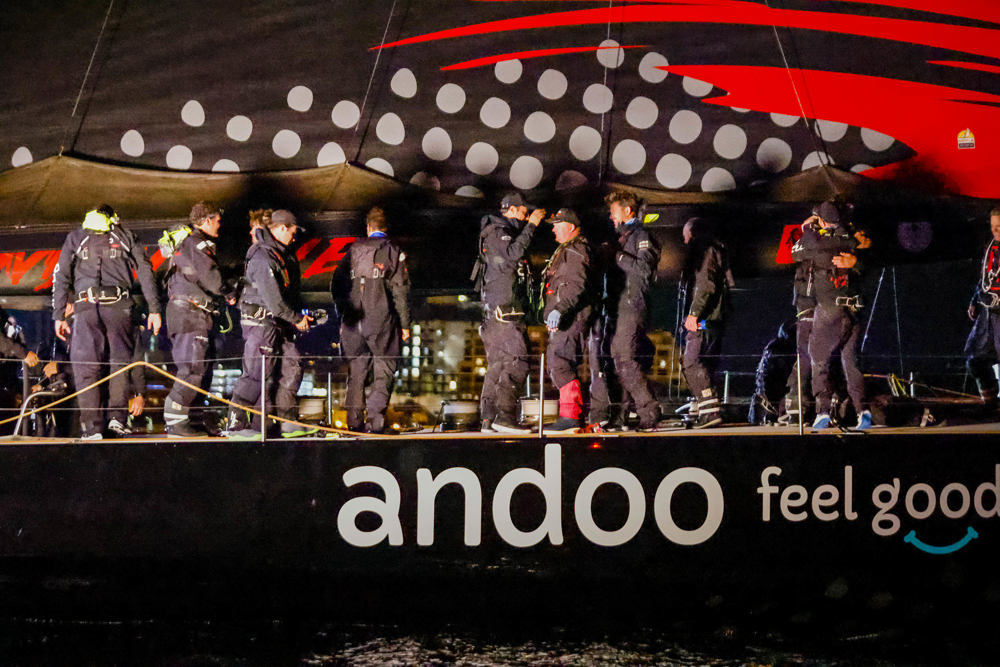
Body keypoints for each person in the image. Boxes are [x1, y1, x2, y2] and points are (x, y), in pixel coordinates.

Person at [51, 205, 162, 439]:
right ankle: (117, 420)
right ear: (112, 218)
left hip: (86, 308)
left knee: (86, 367)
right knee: (119, 364)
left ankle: (91, 427)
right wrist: (154, 309)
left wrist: (59, 314)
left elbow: (61, 275)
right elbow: (145, 270)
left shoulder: (76, 237)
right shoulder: (124, 235)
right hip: (119, 307)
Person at [226, 209, 314, 440]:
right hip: (261, 323)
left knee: (292, 365)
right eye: (293, 232)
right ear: (282, 228)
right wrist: (297, 319)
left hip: (277, 324)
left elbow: (286, 298)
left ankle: (287, 422)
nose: (294, 238)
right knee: (255, 375)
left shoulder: (280, 255)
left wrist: (300, 316)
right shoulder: (264, 257)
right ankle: (236, 426)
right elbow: (274, 301)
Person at [791, 200, 871, 430]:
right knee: (851, 362)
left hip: (829, 309)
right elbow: (865, 252)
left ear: (822, 221)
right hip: (854, 310)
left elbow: (796, 252)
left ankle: (822, 411)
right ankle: (862, 410)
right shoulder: (851, 239)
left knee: (818, 359)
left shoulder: (815, 241)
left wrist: (808, 227)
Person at [470, 192, 546, 434]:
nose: (525, 217)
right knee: (518, 362)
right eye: (523, 212)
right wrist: (532, 226)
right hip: (504, 312)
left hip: (497, 312)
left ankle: (488, 419)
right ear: (511, 210)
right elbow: (512, 255)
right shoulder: (499, 232)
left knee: (498, 365)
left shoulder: (494, 232)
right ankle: (504, 417)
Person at [331, 206, 410, 434]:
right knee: (384, 368)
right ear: (386, 229)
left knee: (357, 372)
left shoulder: (353, 250)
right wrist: (405, 325)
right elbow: (401, 292)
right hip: (381, 320)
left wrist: (344, 316)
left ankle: (353, 422)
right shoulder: (393, 251)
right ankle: (375, 423)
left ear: (368, 227)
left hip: (353, 322)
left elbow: (337, 285)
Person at [162, 202, 234, 437]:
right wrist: (231, 291)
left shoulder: (193, 244)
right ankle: (175, 420)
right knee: (192, 367)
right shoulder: (196, 243)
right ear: (207, 220)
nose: (219, 225)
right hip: (189, 314)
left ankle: (191, 420)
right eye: (217, 220)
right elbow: (212, 277)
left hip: (195, 313)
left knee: (203, 369)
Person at [604, 190, 661, 431]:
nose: (610, 217)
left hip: (632, 305)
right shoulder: (624, 236)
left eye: (613, 212)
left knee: (626, 360)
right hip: (619, 306)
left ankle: (650, 411)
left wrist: (616, 256)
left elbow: (643, 269)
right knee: (620, 361)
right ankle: (621, 414)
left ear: (627, 211)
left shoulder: (641, 235)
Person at [540, 208, 594, 433]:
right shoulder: (568, 250)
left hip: (571, 317)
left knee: (560, 361)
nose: (553, 228)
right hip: (565, 316)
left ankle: (571, 417)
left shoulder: (575, 250)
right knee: (558, 361)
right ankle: (570, 416)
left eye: (557, 224)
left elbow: (575, 284)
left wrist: (560, 310)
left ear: (571, 227)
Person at [964, 206, 1000, 410]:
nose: (996, 232)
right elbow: (984, 279)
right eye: (993, 227)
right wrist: (974, 300)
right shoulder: (990, 248)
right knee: (975, 360)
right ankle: (990, 403)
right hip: (987, 312)